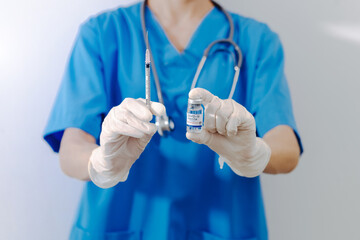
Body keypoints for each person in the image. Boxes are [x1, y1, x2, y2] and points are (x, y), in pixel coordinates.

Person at [44, 0, 302, 239]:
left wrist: (255, 154)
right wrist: (100, 163)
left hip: (222, 223)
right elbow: (71, 150)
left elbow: (286, 148)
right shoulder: (103, 32)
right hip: (119, 221)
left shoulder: (257, 41)